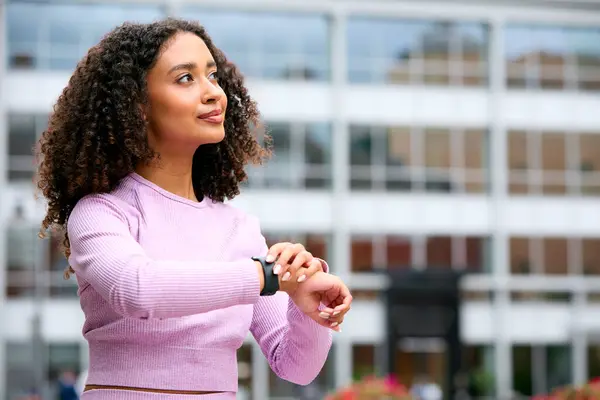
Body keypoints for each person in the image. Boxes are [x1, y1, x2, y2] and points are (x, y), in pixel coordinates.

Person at [35, 18, 352, 400]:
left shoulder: (239, 228)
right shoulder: (101, 213)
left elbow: (296, 367)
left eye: (213, 76)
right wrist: (267, 276)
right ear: (136, 104)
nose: (213, 93)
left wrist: (307, 308)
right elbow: (139, 290)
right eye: (186, 78)